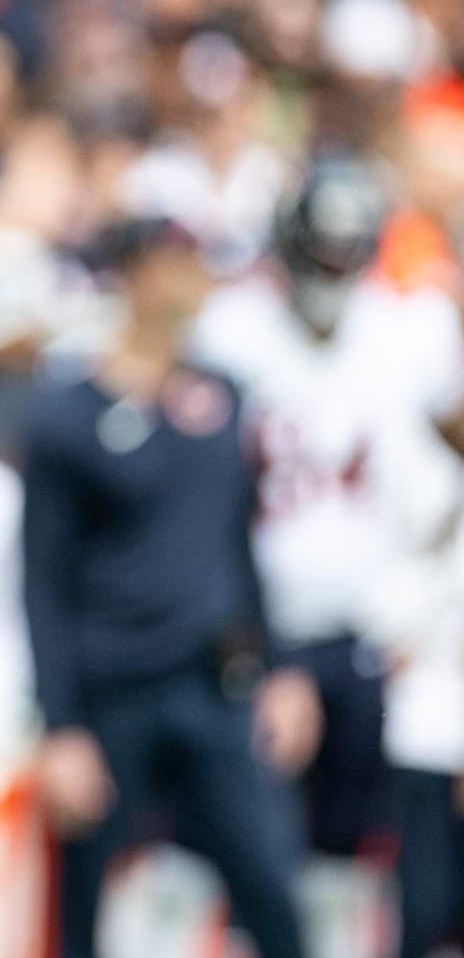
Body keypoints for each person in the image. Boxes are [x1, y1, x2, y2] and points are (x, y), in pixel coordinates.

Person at [22, 215, 321, 958]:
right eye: (177, 263)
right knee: (85, 910)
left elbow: (240, 542)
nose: (193, 281)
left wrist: (280, 666)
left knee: (274, 893)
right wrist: (60, 726)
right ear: (135, 274)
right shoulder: (69, 411)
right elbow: (41, 580)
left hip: (213, 685)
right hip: (111, 694)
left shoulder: (222, 395)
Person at [192, 160, 464, 930]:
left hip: (375, 634)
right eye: (321, 249)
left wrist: (429, 606)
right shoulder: (232, 329)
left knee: (358, 857)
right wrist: (254, 644)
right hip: (258, 632)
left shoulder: (411, 327)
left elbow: (450, 470)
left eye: (348, 250)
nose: (333, 270)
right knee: (254, 857)